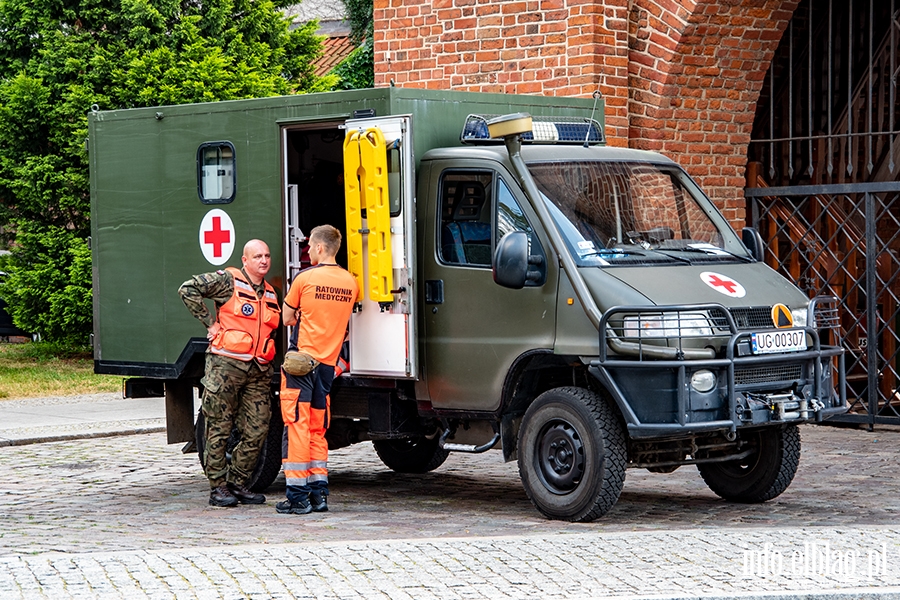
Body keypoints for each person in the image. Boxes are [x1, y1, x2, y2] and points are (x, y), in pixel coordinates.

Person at [178, 239, 281, 507]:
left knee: (258, 429)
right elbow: (188, 289)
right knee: (218, 427)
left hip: (258, 371)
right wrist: (209, 324)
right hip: (225, 367)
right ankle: (217, 487)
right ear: (245, 260)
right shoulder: (228, 281)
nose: (264, 261)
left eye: (267, 256)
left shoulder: (271, 293)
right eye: (257, 256)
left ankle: (237, 482)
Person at [277, 225, 358, 515]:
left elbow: (287, 318)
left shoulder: (304, 278)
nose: (308, 250)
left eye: (310, 246)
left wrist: (300, 313)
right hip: (326, 368)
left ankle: (297, 497)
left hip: (301, 365)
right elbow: (347, 328)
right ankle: (319, 494)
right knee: (317, 429)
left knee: (296, 428)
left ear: (321, 248)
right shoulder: (350, 282)